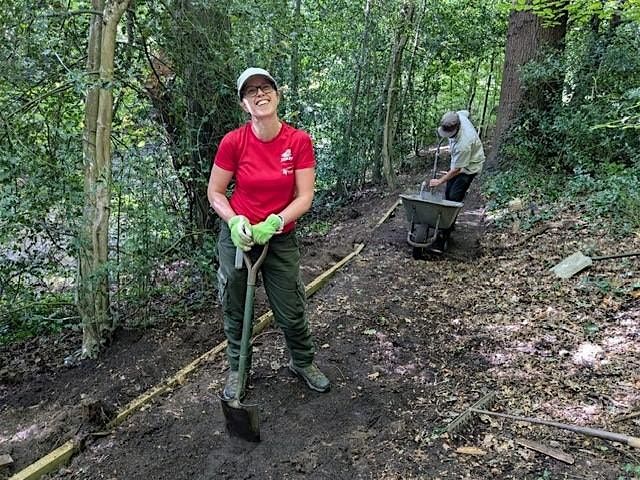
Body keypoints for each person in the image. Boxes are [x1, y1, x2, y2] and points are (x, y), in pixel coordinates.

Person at [207, 67, 330, 400]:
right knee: (235, 307)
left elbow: (305, 196)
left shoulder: (298, 141)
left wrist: (275, 223)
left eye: (265, 88)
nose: (259, 94)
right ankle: (239, 369)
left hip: (279, 237)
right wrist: (234, 221)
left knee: (291, 307)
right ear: (243, 103)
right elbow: (215, 192)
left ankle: (302, 362)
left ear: (277, 95)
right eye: (251, 91)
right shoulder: (234, 142)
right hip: (239, 237)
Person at [426, 110, 485, 253]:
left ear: (457, 128)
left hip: (469, 167)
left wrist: (439, 181)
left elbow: (458, 170)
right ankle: (449, 223)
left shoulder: (464, 143)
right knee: (448, 193)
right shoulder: (459, 117)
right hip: (458, 163)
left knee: (453, 198)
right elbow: (466, 112)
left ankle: (444, 237)